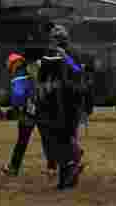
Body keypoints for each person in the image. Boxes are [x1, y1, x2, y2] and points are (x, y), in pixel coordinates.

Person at [34, 24, 88, 190]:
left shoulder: (54, 54)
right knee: (69, 135)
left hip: (59, 104)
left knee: (57, 139)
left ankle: (73, 159)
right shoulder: (76, 54)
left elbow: (43, 75)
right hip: (76, 101)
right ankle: (68, 180)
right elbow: (81, 73)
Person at [2, 52, 54, 177]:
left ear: (13, 64)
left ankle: (13, 168)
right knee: (48, 140)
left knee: (22, 141)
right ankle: (52, 168)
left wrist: (15, 109)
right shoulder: (37, 70)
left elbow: (19, 94)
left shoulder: (19, 75)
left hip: (28, 113)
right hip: (44, 110)